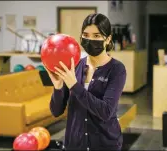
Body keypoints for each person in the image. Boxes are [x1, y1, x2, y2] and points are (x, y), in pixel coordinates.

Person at [47, 13, 127, 150]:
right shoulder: (75, 65)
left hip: (104, 144)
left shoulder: (117, 69)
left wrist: (75, 86)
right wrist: (58, 87)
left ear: (107, 39)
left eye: (96, 36)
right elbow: (56, 111)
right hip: (75, 144)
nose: (90, 39)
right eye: (86, 35)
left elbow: (106, 111)